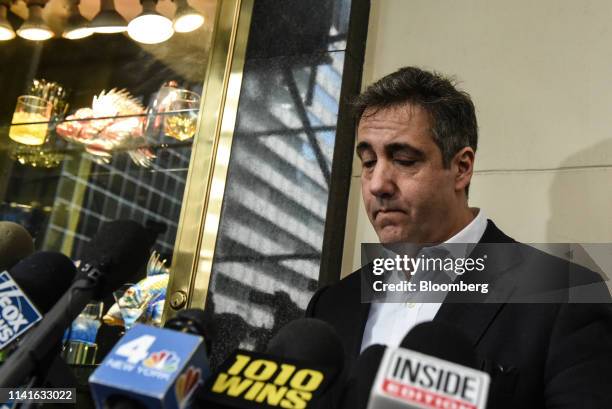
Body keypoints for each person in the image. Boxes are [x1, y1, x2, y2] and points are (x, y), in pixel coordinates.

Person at [306, 66, 612, 408]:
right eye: (368, 161)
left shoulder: (564, 294)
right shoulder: (330, 305)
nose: (378, 183)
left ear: (461, 168)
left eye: (404, 159)